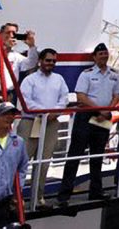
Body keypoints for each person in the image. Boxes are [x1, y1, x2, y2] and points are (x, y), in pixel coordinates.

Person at [57, 43, 119, 205]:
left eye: (105, 54)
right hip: (86, 117)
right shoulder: (86, 74)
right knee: (75, 156)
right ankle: (64, 195)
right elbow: (81, 97)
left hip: (104, 117)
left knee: (97, 156)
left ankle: (96, 191)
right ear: (94, 57)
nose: (103, 56)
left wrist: (108, 110)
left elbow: (117, 95)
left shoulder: (114, 75)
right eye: (100, 54)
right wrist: (100, 109)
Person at [17, 48, 68, 207]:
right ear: (40, 61)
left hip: (52, 124)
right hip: (31, 122)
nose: (50, 63)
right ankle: (16, 199)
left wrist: (55, 112)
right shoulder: (29, 80)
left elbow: (64, 98)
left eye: (53, 61)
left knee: (44, 162)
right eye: (48, 60)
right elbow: (26, 100)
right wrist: (44, 113)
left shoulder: (59, 79)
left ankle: (38, 198)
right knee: (23, 161)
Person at [0, 22, 38, 134]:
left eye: (14, 33)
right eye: (8, 33)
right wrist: (3, 51)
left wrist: (31, 46)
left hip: (8, 95)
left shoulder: (15, 56)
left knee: (5, 125)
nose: (11, 36)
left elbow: (31, 63)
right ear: (0, 34)